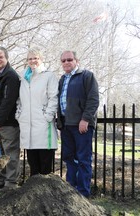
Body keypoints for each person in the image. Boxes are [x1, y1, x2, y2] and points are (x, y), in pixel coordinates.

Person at [57, 50, 99, 197]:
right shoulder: (62, 79)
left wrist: (85, 119)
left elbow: (93, 99)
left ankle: (82, 194)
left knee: (83, 159)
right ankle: (71, 192)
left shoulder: (87, 76)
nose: (66, 62)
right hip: (66, 125)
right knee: (69, 158)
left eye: (69, 59)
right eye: (63, 61)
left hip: (81, 125)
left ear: (76, 60)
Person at [16, 47, 58, 176]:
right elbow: (18, 99)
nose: (33, 61)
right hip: (27, 124)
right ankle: (33, 193)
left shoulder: (48, 75)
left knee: (45, 164)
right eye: (30, 58)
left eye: (36, 58)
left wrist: (47, 116)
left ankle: (46, 193)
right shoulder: (22, 76)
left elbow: (53, 97)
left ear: (41, 59)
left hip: (43, 123)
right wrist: (19, 114)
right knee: (32, 163)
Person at [0, 46, 20, 191]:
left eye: (1, 57)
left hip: (8, 123)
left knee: (10, 153)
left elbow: (8, 101)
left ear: (6, 58)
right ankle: (0, 180)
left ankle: (10, 183)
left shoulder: (11, 76)